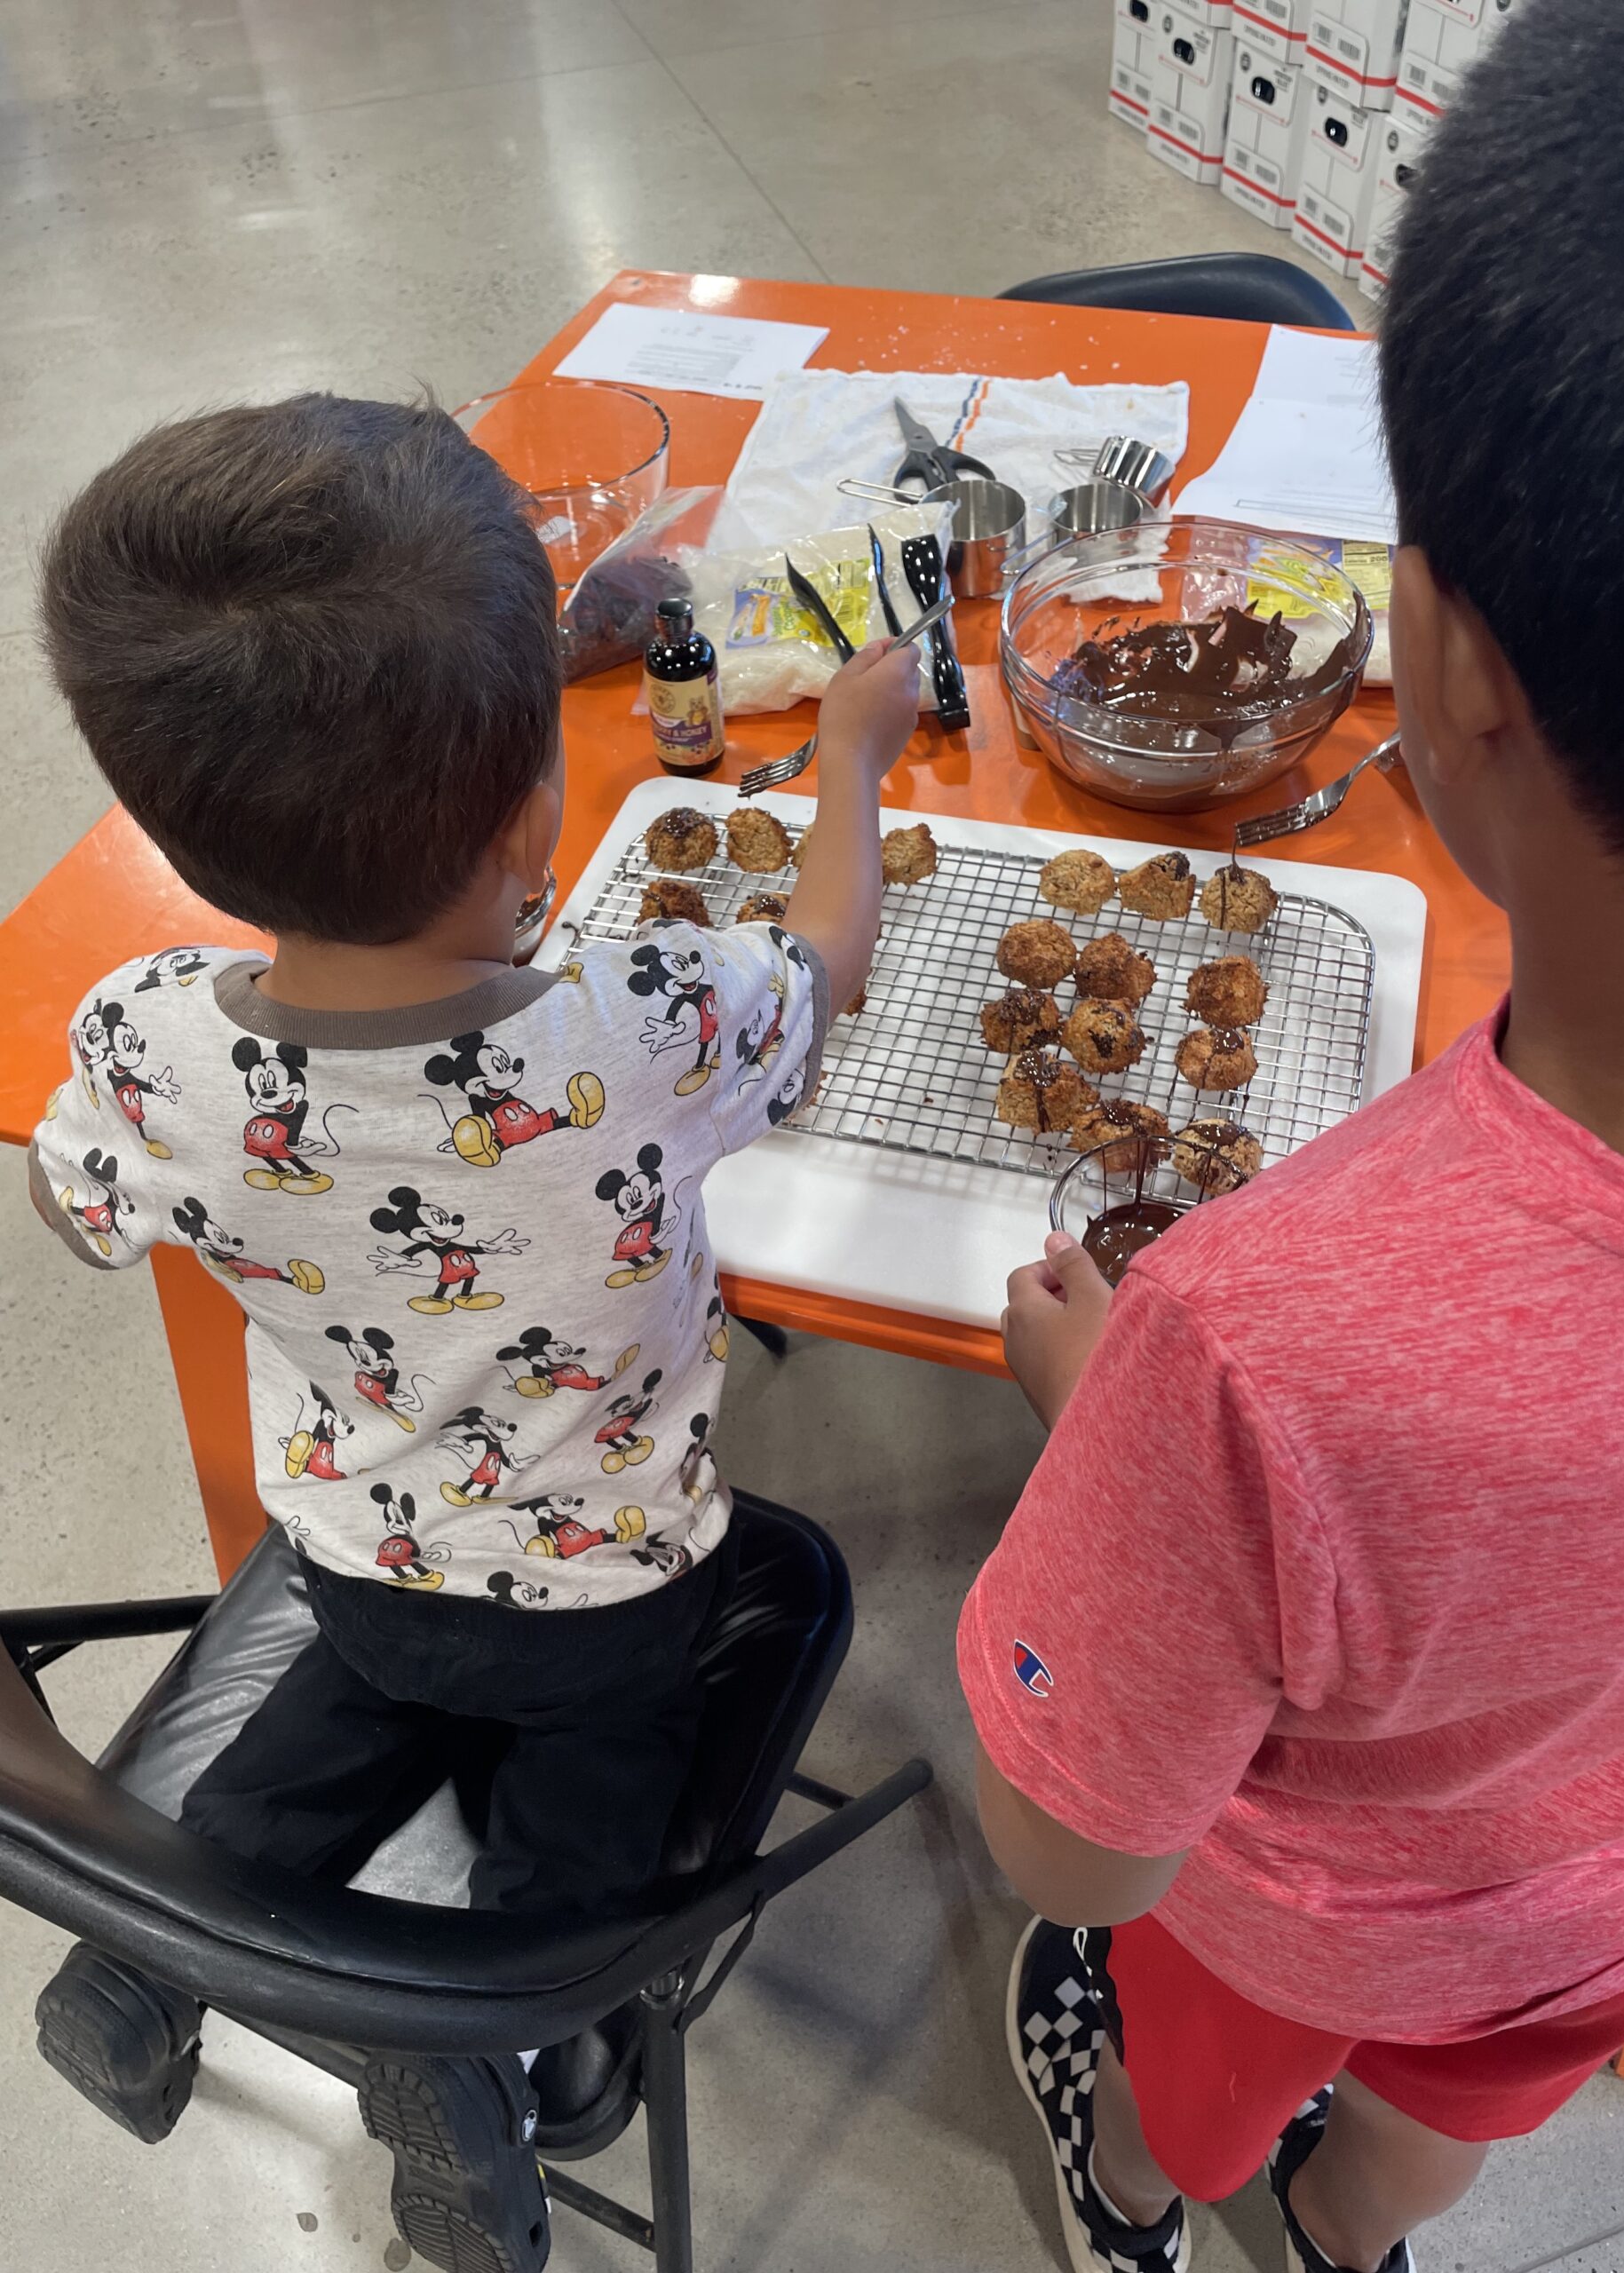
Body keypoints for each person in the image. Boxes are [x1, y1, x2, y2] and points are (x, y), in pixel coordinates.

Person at [958, 7, 1624, 2271]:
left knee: (1192, 2085)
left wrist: (1111, 1443)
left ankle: (1145, 2195)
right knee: (1449, 2117)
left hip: (1308, 1928)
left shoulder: (1249, 1338)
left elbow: (1078, 1851)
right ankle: (1356, 2234)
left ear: (1446, 670)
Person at [27, 394, 918, 2216]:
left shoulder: (146, 1034)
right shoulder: (639, 1024)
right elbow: (831, 952)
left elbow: (73, 1205)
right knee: (576, 1827)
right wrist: (851, 756)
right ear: (537, 817)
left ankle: (148, 1950)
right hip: (613, 1591)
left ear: (182, 838)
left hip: (359, 1555)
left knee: (341, 1721)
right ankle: (470, 2052)